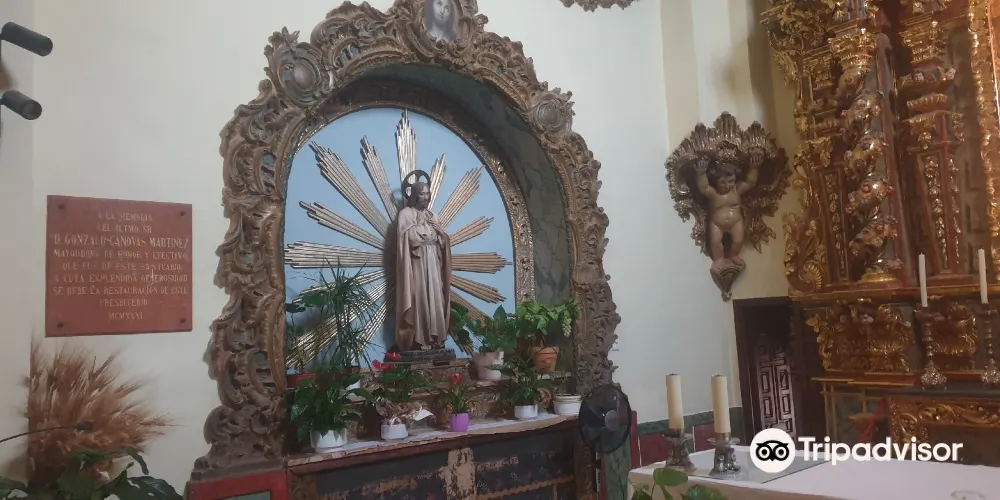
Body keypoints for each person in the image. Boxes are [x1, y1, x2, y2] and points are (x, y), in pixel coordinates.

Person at [395, 179, 452, 351]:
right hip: (417, 262)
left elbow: (442, 242)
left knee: (436, 296)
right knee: (420, 297)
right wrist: (418, 225)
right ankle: (421, 339)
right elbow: (407, 240)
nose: (425, 197)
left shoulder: (433, 215)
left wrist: (440, 232)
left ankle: (436, 338)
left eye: (427, 194)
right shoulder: (406, 214)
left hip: (433, 262)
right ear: (414, 195)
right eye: (421, 194)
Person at [694, 150, 762, 268]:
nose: (727, 185)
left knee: (738, 241)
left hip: (736, 222)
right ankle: (719, 259)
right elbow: (704, 188)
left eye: (731, 181)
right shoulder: (714, 194)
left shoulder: (736, 190)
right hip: (717, 224)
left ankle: (734, 255)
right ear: (716, 182)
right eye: (723, 182)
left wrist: (754, 168)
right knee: (715, 242)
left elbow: (750, 183)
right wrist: (701, 174)